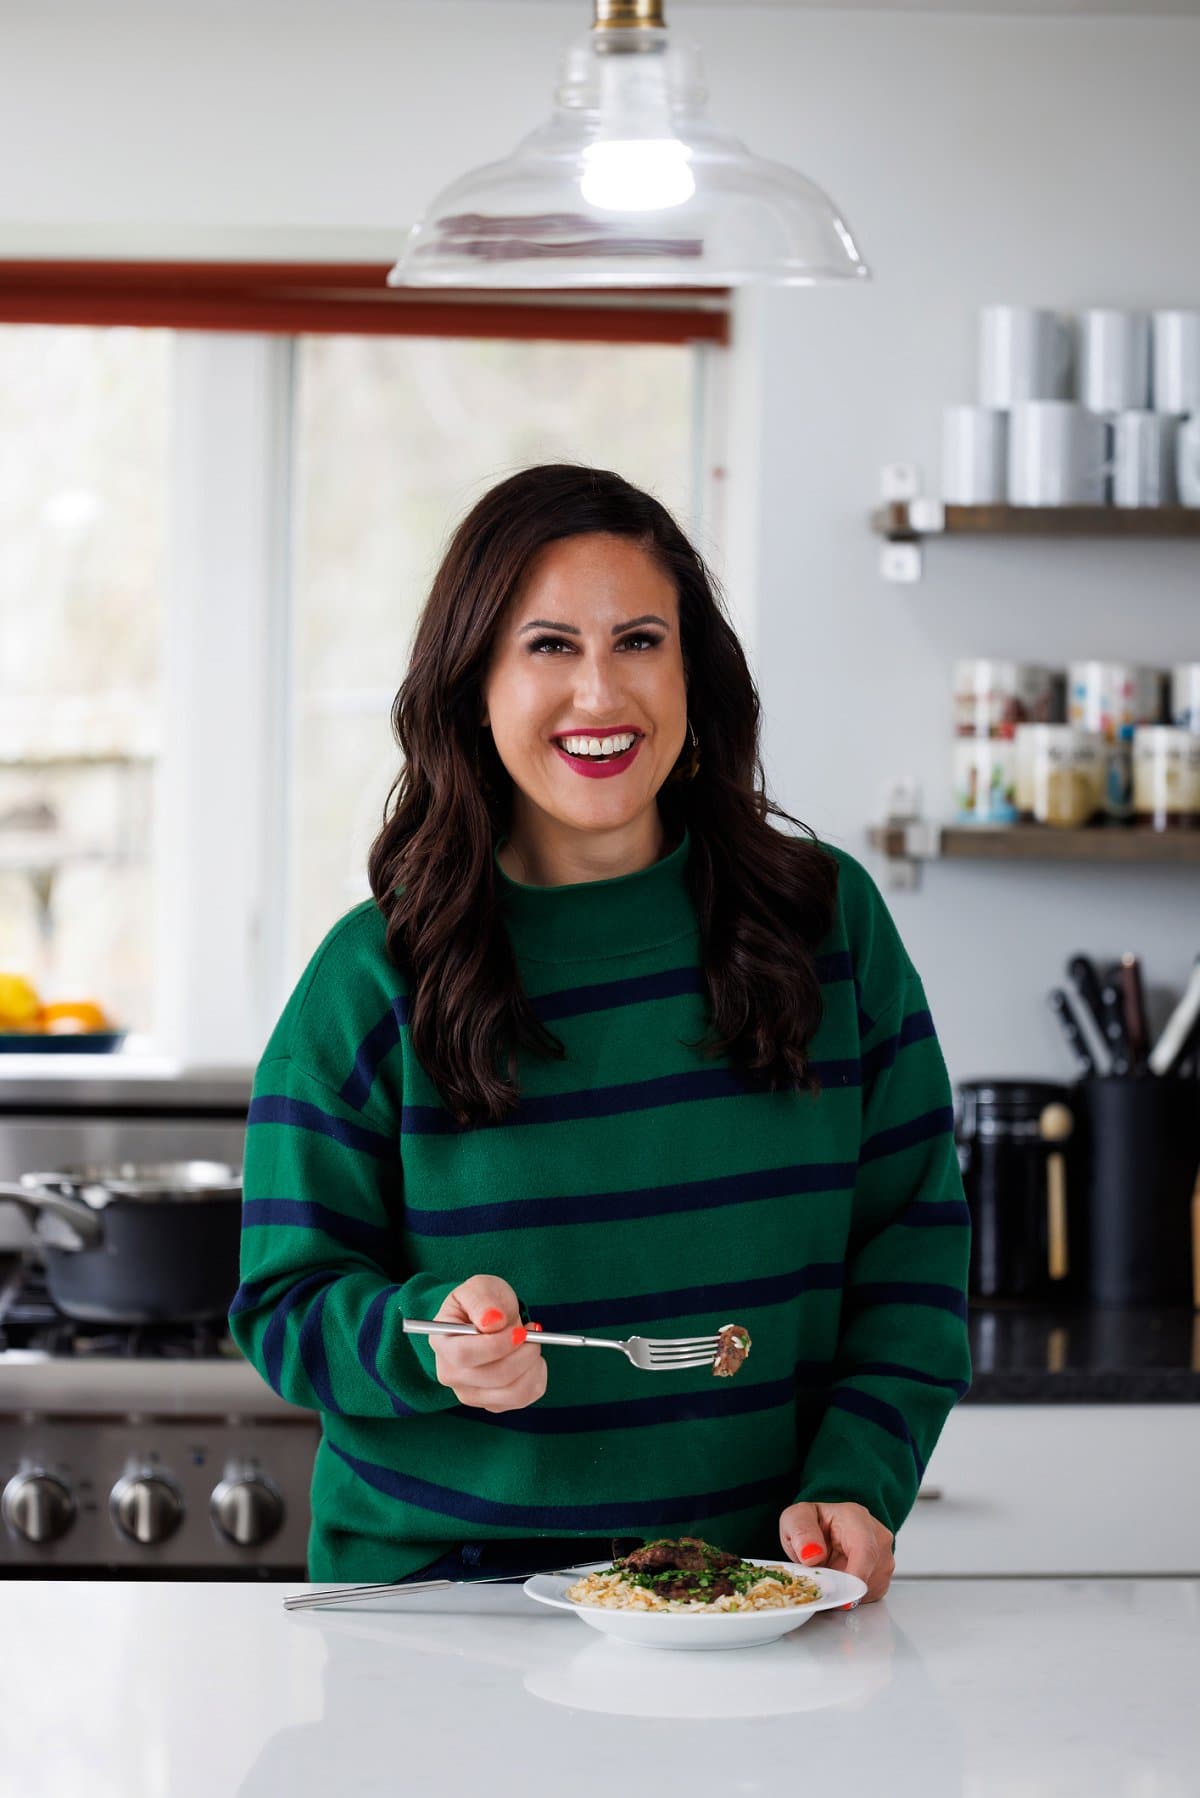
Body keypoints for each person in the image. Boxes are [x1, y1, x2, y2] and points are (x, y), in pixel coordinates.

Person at [229, 463, 971, 1594]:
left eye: (638, 641)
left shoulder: (829, 926)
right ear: (473, 680)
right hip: (446, 1604)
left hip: (749, 1592)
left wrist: (858, 1476)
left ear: (693, 673)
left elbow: (912, 1247)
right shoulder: (371, 975)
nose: (600, 694)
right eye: (548, 646)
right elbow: (283, 1303)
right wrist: (427, 1339)